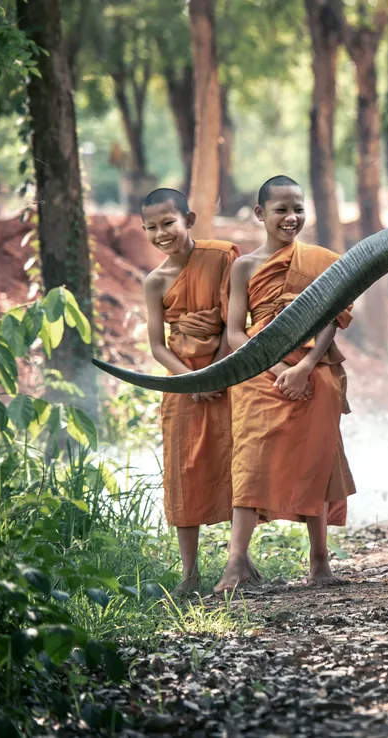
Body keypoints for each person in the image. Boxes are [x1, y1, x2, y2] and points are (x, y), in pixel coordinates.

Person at [215, 176, 356, 592]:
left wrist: (306, 365)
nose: (291, 218)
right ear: (260, 214)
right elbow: (236, 334)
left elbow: (330, 321)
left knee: (316, 458)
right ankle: (236, 562)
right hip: (258, 372)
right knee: (251, 461)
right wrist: (277, 369)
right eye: (281, 210)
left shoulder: (323, 261)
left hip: (314, 372)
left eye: (298, 209)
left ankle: (320, 561)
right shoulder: (244, 266)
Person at [140, 188, 248, 595]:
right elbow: (157, 346)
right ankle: (190, 574)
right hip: (182, 386)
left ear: (188, 219)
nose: (161, 233)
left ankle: (240, 560)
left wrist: (217, 371)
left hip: (228, 375)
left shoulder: (222, 257)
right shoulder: (155, 282)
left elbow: (233, 316)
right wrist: (190, 379)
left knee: (237, 464)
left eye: (168, 223)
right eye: (151, 227)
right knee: (184, 472)